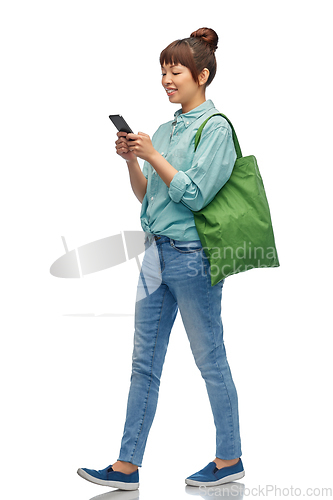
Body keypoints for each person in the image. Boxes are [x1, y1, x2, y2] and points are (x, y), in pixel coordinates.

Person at [78, 27, 245, 490]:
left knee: (210, 359)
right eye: (163, 72)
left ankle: (229, 458)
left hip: (193, 258)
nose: (167, 79)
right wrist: (135, 159)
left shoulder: (217, 130)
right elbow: (149, 198)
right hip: (155, 255)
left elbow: (193, 196)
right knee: (143, 363)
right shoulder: (167, 129)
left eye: (176, 71)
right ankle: (126, 466)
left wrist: (154, 154)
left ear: (202, 75)